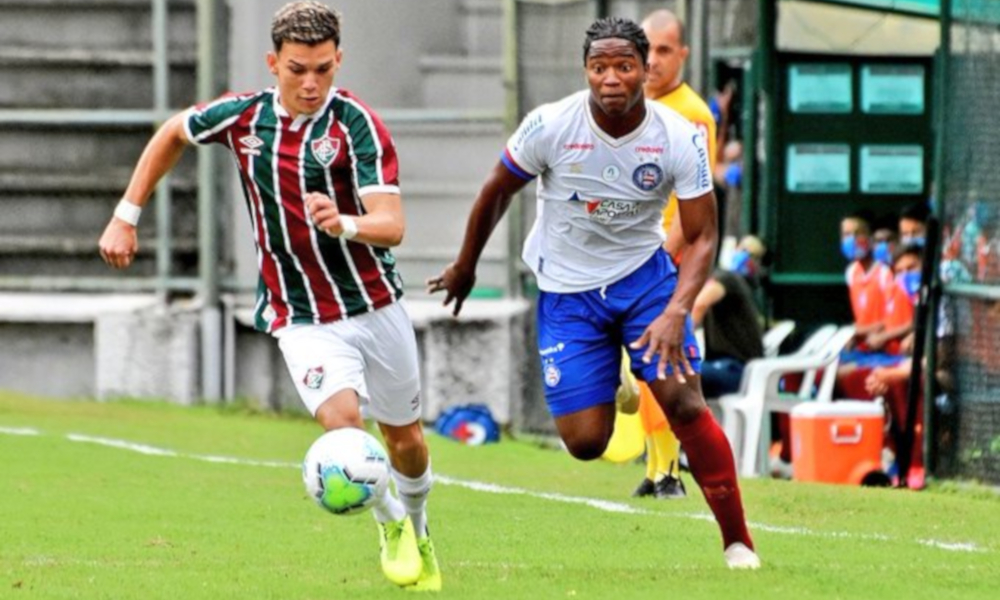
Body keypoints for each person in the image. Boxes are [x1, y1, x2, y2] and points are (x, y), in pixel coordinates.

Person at [97, 2, 440, 590]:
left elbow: (393, 224)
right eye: (297, 69)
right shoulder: (244, 119)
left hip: (374, 303)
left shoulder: (356, 125)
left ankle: (420, 527)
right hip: (300, 313)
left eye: (323, 69)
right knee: (345, 428)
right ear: (272, 62)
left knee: (404, 439)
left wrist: (346, 223)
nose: (311, 83)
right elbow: (172, 132)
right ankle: (389, 523)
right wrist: (126, 215)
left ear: (339, 61)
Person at [427, 17, 759, 569]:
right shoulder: (550, 125)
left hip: (645, 281)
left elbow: (703, 235)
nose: (611, 78)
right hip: (566, 292)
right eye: (599, 67)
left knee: (683, 401)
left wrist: (678, 309)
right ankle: (620, 373)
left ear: (643, 70)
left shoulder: (678, 135)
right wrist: (465, 265)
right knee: (585, 442)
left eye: (624, 65)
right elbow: (495, 190)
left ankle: (738, 543)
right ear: (586, 70)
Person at [622, 8, 721, 501]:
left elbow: (693, 204)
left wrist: (661, 256)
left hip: (666, 262)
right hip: (628, 258)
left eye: (664, 50)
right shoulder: (629, 106)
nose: (654, 60)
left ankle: (670, 471)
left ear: (682, 54)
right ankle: (658, 465)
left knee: (663, 365)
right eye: (648, 48)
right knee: (644, 371)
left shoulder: (694, 114)